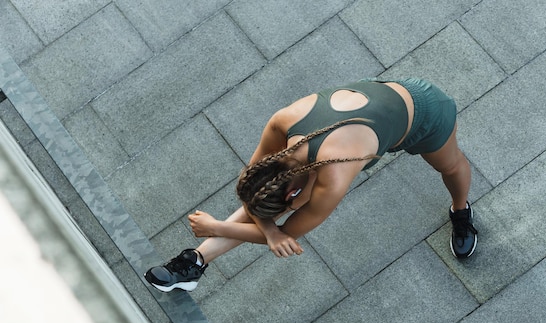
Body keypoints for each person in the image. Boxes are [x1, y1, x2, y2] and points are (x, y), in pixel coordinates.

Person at [144, 78, 477, 292]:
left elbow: (289, 236)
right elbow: (255, 191)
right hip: (382, 117)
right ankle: (195, 262)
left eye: (286, 206)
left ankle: (460, 210)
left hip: (427, 114)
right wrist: (270, 229)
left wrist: (225, 226)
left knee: (451, 166)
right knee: (262, 197)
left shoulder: (333, 179)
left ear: (294, 194)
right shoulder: (282, 128)